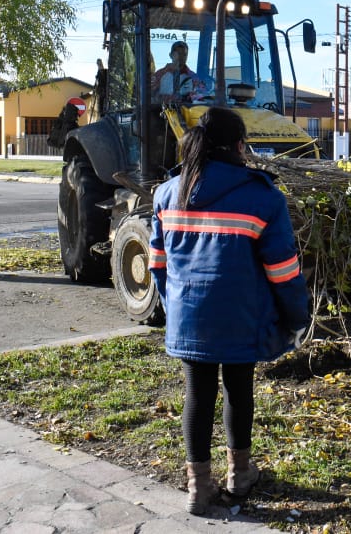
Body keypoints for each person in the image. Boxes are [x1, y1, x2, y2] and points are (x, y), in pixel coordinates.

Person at [149, 107, 310, 514]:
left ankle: (198, 489)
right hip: (242, 317)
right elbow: (283, 270)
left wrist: (176, 309)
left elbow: (157, 263)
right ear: (240, 146)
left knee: (197, 396)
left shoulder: (168, 192)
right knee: (239, 390)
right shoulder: (263, 196)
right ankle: (239, 477)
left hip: (189, 318)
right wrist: (297, 317)